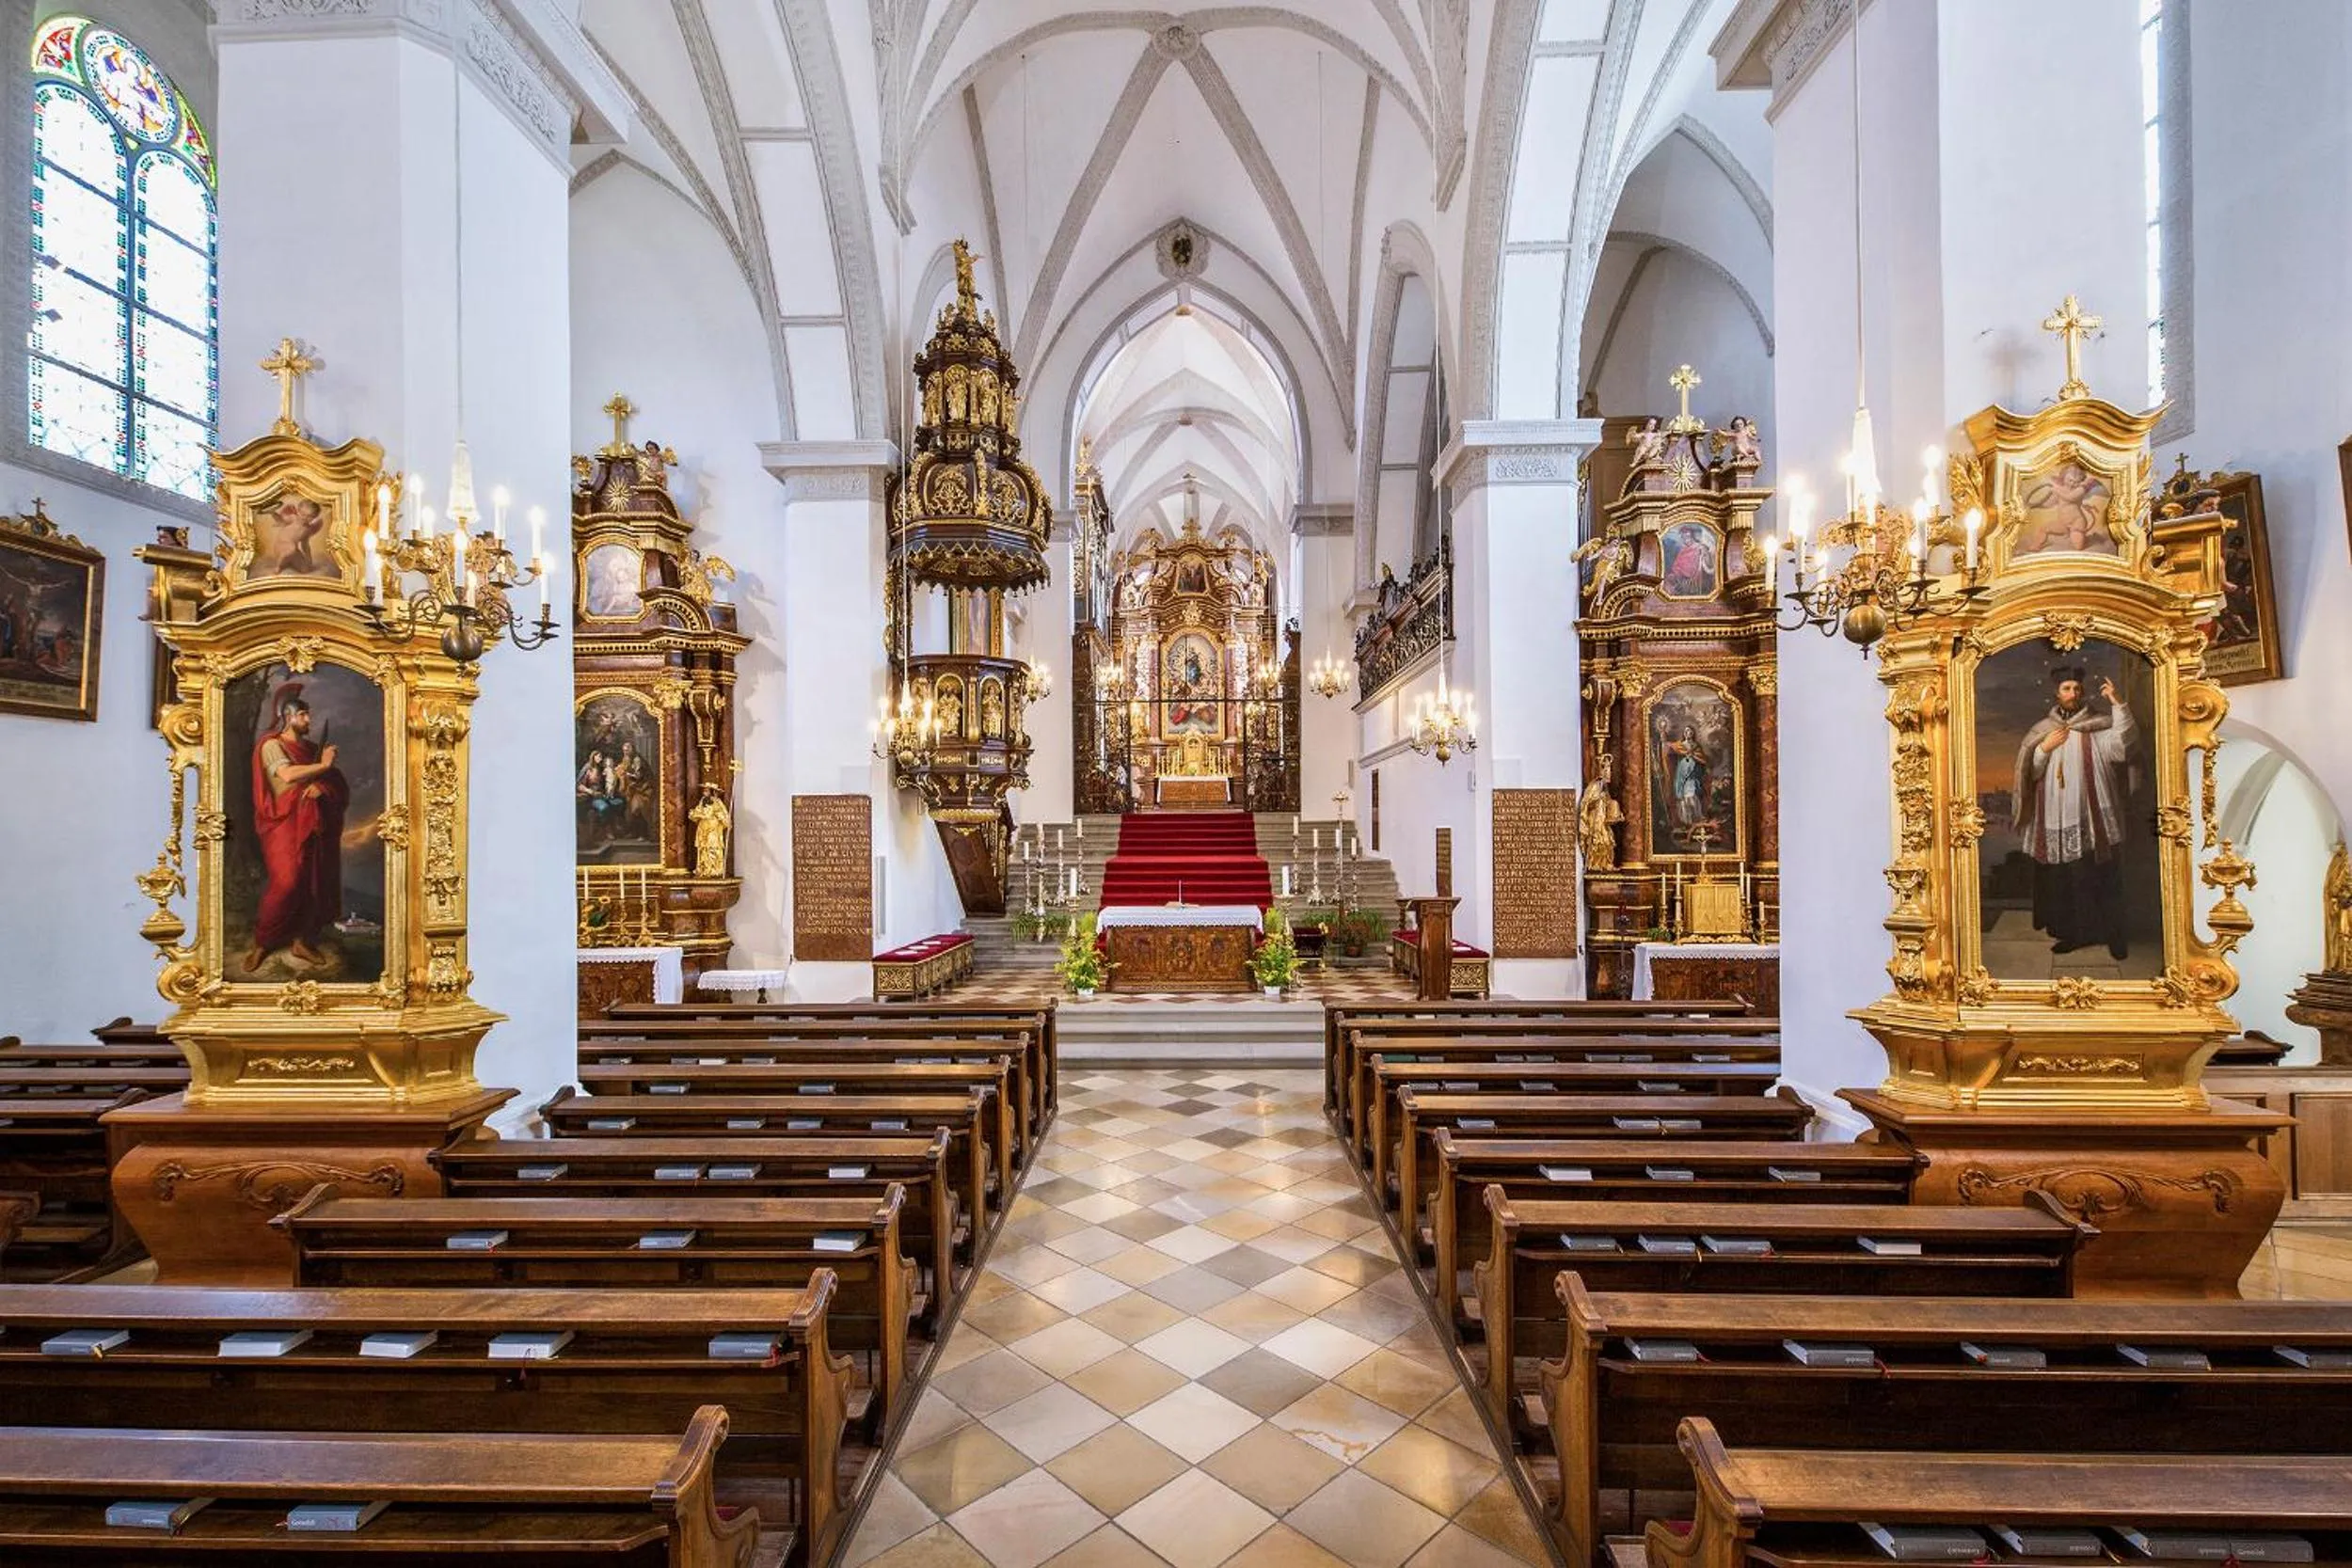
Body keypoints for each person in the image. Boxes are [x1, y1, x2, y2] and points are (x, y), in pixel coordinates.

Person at [2012, 665, 2138, 958]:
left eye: (2077, 689)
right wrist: (2043, 748)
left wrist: (2118, 704)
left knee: (2101, 874)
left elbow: (2123, 747)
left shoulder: (2098, 726)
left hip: (2091, 813)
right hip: (2055, 813)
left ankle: (2111, 935)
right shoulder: (2043, 730)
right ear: (2057, 693)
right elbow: (2029, 771)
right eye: (2067, 689)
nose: (2073, 693)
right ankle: (2070, 933)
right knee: (2065, 878)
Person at [242, 687, 349, 973]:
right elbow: (288, 775)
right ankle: (263, 943)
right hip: (282, 822)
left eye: (308, 715)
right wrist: (322, 765)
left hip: (311, 822)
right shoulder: (271, 745)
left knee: (311, 882)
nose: (308, 720)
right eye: (303, 715)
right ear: (288, 717)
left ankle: (303, 941)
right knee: (286, 883)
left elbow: (335, 784)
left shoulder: (311, 750)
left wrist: (321, 786)